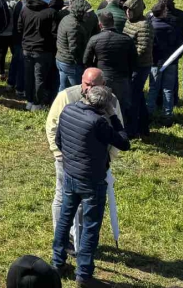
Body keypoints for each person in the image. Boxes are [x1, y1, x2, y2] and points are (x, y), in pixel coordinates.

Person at [53, 85, 130, 287]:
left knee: (64, 219)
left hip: (70, 175)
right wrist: (113, 116)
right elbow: (124, 142)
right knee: (90, 227)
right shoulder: (98, 122)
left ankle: (57, 263)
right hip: (91, 181)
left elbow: (58, 140)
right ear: (104, 107)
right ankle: (84, 275)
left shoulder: (67, 110)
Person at [46, 68, 122, 260]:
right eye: (86, 84)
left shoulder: (111, 101)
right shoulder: (66, 97)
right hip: (67, 163)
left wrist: (108, 160)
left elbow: (118, 135)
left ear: (103, 85)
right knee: (62, 201)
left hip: (95, 167)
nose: (88, 89)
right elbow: (52, 126)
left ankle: (78, 243)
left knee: (83, 209)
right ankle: (64, 241)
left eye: (93, 85)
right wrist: (60, 155)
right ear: (82, 81)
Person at [83, 11, 137, 136]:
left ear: (100, 25)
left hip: (102, 78)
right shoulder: (125, 39)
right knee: (121, 106)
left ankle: (99, 129)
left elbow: (86, 60)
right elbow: (134, 60)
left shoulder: (95, 39)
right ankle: (122, 131)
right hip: (121, 77)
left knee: (99, 103)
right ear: (113, 23)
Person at [19, 0, 57, 110]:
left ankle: (29, 101)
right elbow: (54, 33)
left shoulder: (25, 9)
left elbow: (19, 27)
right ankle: (37, 103)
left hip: (26, 47)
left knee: (28, 75)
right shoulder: (50, 13)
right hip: (42, 50)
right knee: (39, 77)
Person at [122, 0, 154, 136]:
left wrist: (129, 58)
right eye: (126, 10)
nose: (128, 12)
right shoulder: (129, 21)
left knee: (133, 98)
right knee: (138, 95)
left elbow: (142, 48)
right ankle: (143, 126)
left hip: (140, 66)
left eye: (131, 10)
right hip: (131, 64)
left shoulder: (144, 25)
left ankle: (132, 130)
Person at [148, 0, 183, 122]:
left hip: (155, 62)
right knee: (168, 89)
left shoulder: (150, 26)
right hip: (170, 61)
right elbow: (179, 43)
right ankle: (167, 114)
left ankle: (149, 112)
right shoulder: (171, 27)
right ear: (162, 13)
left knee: (153, 88)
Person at [55, 0, 93, 91]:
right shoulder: (74, 26)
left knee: (63, 87)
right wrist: (82, 62)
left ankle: (60, 104)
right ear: (80, 12)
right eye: (86, 12)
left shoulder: (67, 18)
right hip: (70, 63)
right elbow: (74, 49)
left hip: (61, 59)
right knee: (77, 90)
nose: (88, 14)